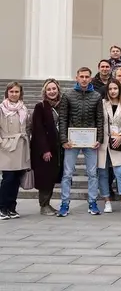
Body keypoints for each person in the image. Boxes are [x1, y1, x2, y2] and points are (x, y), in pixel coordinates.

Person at [58, 67, 104, 217]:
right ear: (76, 77)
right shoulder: (68, 95)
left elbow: (100, 119)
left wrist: (99, 139)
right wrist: (63, 139)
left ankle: (92, 203)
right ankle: (64, 204)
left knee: (92, 173)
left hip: (90, 140)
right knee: (67, 173)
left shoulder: (96, 96)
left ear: (90, 79)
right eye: (81, 76)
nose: (84, 79)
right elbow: (63, 118)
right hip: (72, 140)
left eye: (87, 77)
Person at [99, 80, 121, 215]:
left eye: (115, 88)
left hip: (117, 141)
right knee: (102, 172)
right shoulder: (102, 104)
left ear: (119, 90)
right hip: (103, 142)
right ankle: (107, 201)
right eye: (110, 89)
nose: (113, 91)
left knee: (120, 171)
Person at [30, 79, 63, 215]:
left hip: (57, 148)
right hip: (45, 149)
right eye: (49, 89)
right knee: (45, 177)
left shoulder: (61, 106)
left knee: (52, 176)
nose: (52, 91)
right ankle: (43, 205)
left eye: (54, 89)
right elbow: (38, 129)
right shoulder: (40, 107)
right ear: (45, 91)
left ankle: (47, 204)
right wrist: (45, 150)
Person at [0, 82, 31, 220]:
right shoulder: (1, 109)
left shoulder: (23, 109)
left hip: (21, 147)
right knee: (8, 178)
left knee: (17, 178)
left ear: (20, 93)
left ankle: (12, 207)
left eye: (16, 92)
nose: (14, 94)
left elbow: (27, 127)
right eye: (11, 91)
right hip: (7, 147)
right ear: (7, 93)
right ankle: (2, 208)